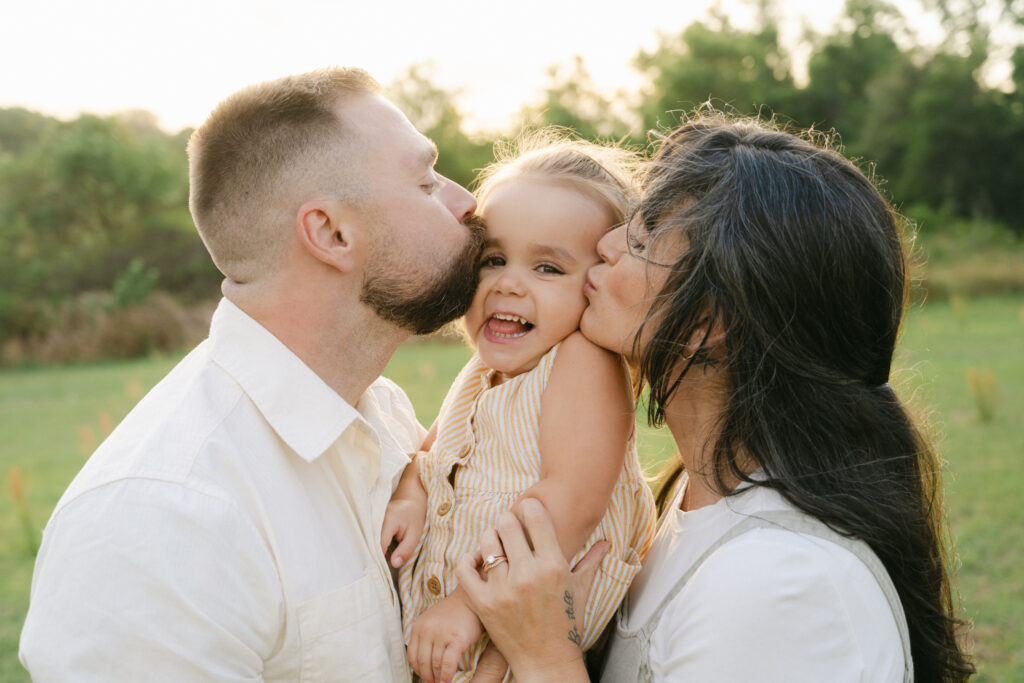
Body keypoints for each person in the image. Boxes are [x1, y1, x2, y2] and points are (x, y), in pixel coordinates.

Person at [454, 112, 976, 681]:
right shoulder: (688, 502)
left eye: (644, 234)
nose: (604, 244)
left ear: (709, 322)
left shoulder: (782, 582)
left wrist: (543, 655)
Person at [19, 67, 485, 681]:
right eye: (425, 183)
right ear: (331, 233)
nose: (465, 200)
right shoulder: (161, 522)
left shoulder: (384, 413)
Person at [380, 133, 657, 683]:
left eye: (548, 268)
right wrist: (411, 494)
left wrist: (467, 601)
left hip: (515, 634)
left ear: (598, 283)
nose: (509, 283)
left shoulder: (581, 363)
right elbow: (431, 450)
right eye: (494, 259)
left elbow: (570, 500)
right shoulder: (485, 372)